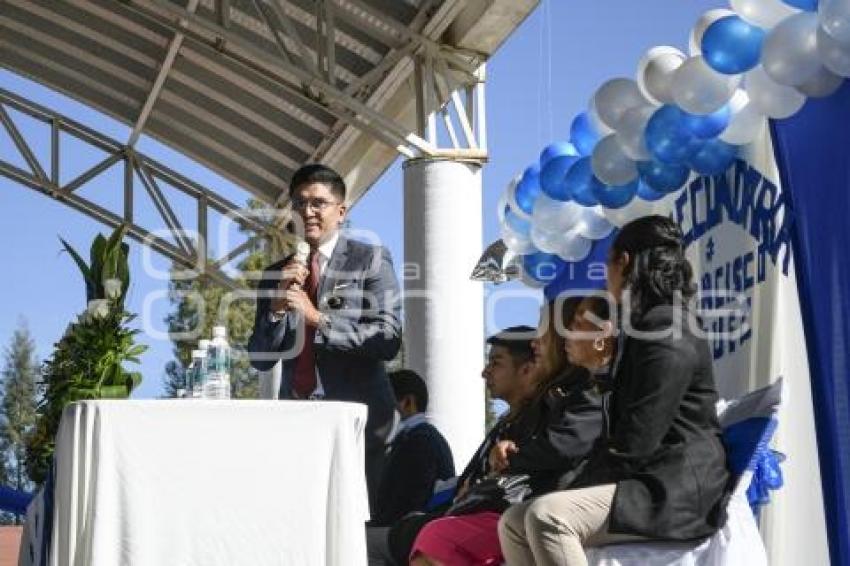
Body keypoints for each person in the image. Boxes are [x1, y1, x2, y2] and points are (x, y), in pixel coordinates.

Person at [498, 215, 731, 566]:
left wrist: (574, 487)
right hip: (647, 481)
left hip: (673, 492)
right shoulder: (644, 327)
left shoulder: (666, 330)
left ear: (623, 262)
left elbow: (635, 442)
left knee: (548, 517)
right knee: (514, 521)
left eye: (608, 262)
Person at [247, 163, 402, 509]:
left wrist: (318, 319)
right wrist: (276, 309)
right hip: (297, 426)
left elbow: (388, 338)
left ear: (341, 211)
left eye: (318, 203)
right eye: (300, 204)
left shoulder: (370, 260)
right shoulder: (277, 274)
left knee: (360, 538)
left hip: (361, 430)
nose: (308, 212)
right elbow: (259, 358)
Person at [409, 298, 604, 566]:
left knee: (435, 534)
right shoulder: (553, 396)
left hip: (538, 503)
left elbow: (562, 447)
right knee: (420, 531)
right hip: (514, 507)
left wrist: (509, 459)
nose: (535, 344)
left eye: (542, 334)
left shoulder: (583, 391)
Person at [367, 370, 455, 565]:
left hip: (413, 531)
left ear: (407, 401)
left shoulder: (418, 440)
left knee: (358, 543)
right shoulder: (424, 437)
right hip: (416, 528)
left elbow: (410, 499)